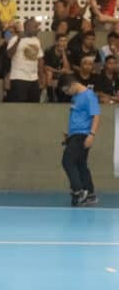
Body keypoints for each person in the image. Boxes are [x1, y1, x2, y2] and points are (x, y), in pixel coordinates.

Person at [60, 73, 100, 207]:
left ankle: (78, 191)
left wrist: (91, 134)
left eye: (66, 90)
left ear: (72, 85)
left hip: (83, 135)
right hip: (75, 135)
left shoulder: (89, 95)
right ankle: (90, 194)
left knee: (67, 161)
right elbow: (77, 117)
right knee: (81, 165)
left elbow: (96, 116)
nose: (67, 93)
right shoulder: (76, 97)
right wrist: (69, 135)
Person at [6, 17, 44, 103]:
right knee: (19, 106)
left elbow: (40, 58)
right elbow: (9, 55)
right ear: (28, 27)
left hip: (34, 79)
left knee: (34, 106)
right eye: (35, 27)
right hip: (19, 78)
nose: (38, 29)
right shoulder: (14, 39)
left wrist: (41, 76)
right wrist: (19, 40)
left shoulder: (37, 40)